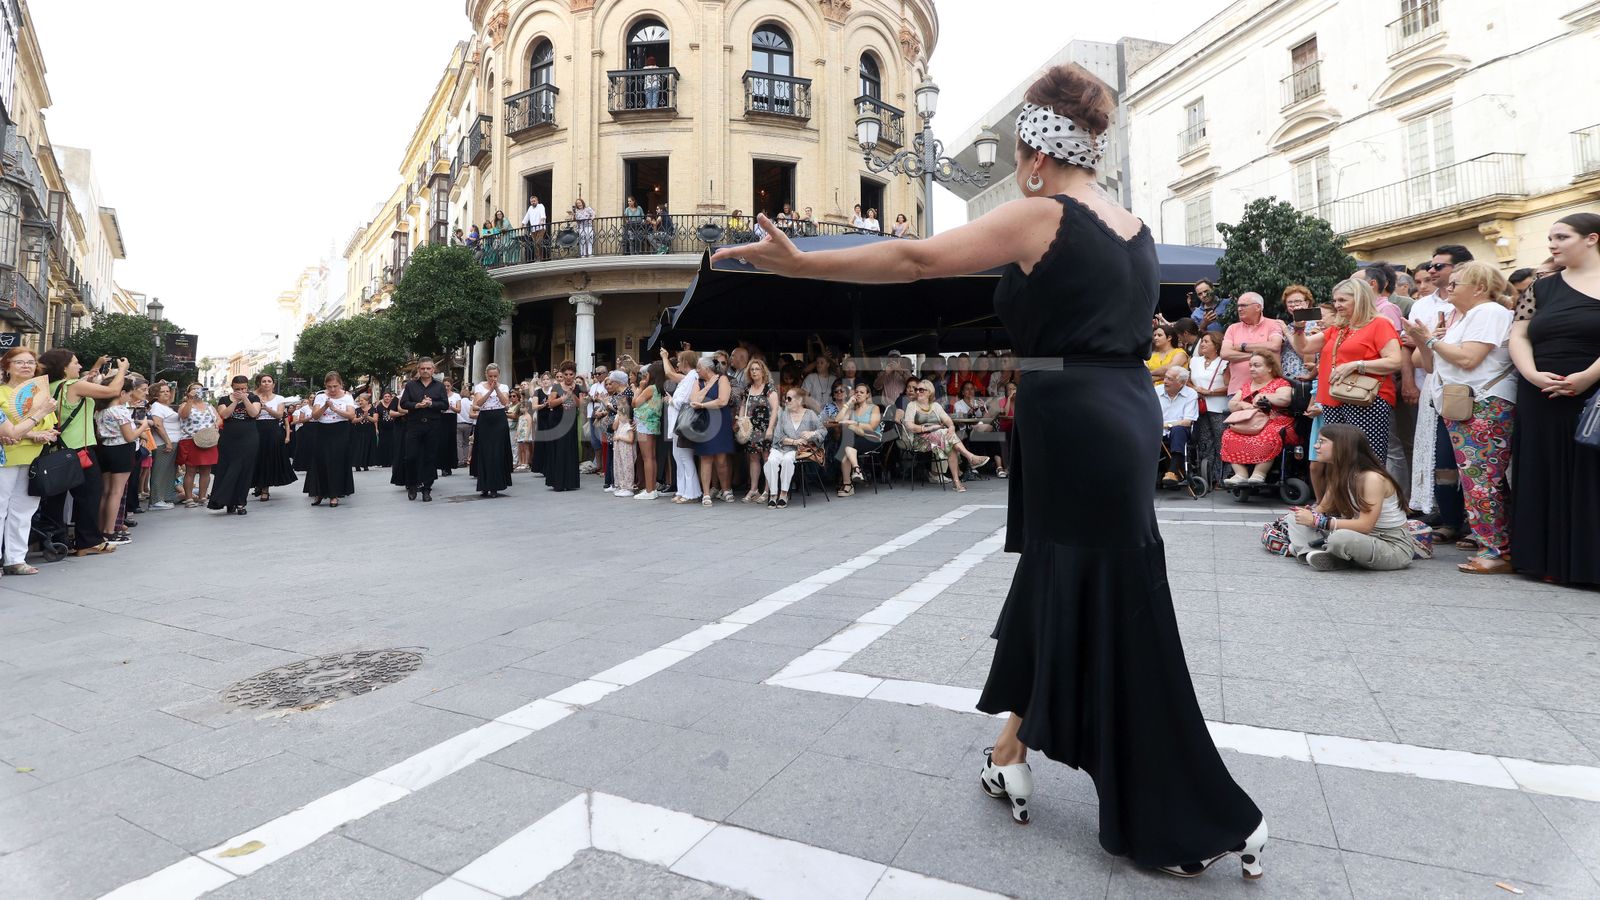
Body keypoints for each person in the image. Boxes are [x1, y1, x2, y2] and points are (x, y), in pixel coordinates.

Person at [711, 62, 1265, 876]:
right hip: (1107, 408)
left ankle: (1197, 811)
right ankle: (1010, 748)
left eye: (1015, 157)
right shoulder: (1134, 227)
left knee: (1107, 598)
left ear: (1034, 153)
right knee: (1059, 579)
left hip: (1073, 416)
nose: (1016, 171)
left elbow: (912, 259)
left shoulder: (1040, 216)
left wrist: (799, 266)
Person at [1404, 260, 1516, 574]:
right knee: (1479, 481)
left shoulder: (1488, 312)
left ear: (1479, 288)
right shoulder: (1464, 317)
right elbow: (1429, 365)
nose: (1448, 288)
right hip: (1465, 404)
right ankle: (1497, 546)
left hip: (1483, 405)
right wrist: (1424, 339)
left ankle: (1496, 551)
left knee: (1481, 482)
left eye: (1456, 284)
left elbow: (1469, 359)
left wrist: (1429, 340)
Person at [1507, 213, 1600, 586]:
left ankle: (1587, 564)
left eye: (1561, 237)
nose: (1552, 244)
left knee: (1589, 474)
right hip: (1539, 391)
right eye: (1549, 238)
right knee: (1540, 469)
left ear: (1592, 239)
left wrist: (1587, 377)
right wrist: (1530, 374)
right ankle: (1543, 560)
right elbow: (1519, 335)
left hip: (1592, 393)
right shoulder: (1540, 288)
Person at [1290, 278, 1403, 465]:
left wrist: (1357, 365)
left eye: (1342, 300)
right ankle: (1344, 494)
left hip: (1366, 400)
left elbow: (1395, 361)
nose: (1337, 305)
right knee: (1339, 460)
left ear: (1359, 299)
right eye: (1335, 300)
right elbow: (1305, 347)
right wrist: (1299, 328)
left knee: (1365, 459)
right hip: (1332, 398)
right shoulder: (1339, 328)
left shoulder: (1380, 324)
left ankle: (1366, 494)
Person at [1284, 424, 1416, 571]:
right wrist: (1309, 514)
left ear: (1342, 446)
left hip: (1390, 545)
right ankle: (1310, 554)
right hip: (1358, 536)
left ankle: (1328, 554)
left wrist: (1317, 521)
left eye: (1322, 441)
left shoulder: (1372, 478)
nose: (1315, 446)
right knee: (1293, 517)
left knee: (1339, 538)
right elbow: (1322, 509)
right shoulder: (1340, 473)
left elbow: (1365, 526)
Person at [37, 352, 124, 555]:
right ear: (64, 367)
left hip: (56, 451)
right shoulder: (73, 386)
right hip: (80, 449)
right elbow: (113, 390)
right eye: (75, 363)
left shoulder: (50, 387)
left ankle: (55, 541)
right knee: (89, 495)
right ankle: (87, 540)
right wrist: (122, 370)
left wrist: (93, 372)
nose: (79, 366)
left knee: (56, 500)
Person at [0, 349, 59, 573]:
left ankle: (15, 558)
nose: (26, 366)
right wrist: (32, 433)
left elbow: (50, 424)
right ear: (7, 366)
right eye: (19, 362)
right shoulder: (2, 393)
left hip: (33, 457)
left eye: (30, 362)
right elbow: (6, 431)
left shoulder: (39, 394)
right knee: (0, 508)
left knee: (24, 509)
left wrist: (47, 434)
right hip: (6, 456)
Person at [902, 379, 990, 492]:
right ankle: (970, 458)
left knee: (949, 440)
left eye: (921, 390)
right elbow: (910, 425)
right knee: (945, 435)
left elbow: (948, 420)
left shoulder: (935, 406)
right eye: (916, 389)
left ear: (929, 392)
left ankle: (957, 482)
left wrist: (952, 428)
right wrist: (928, 428)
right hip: (920, 440)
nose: (917, 392)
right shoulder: (912, 405)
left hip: (939, 438)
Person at [1220, 353, 1294, 485]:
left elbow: (1285, 400)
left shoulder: (1280, 383)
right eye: (1250, 365)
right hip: (1250, 422)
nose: (1252, 369)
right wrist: (1242, 404)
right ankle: (1240, 474)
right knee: (1229, 434)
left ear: (1270, 368)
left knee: (1269, 434)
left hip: (1273, 419)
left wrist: (1264, 396)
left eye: (1256, 365)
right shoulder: (1247, 386)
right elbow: (1231, 404)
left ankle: (1259, 473)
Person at [95, 375, 148, 542]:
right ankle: (110, 531)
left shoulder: (100, 410)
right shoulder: (120, 411)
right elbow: (130, 436)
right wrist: (144, 427)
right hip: (121, 450)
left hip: (104, 449)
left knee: (106, 492)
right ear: (121, 393)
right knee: (117, 492)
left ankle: (101, 528)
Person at [204, 375, 261, 515]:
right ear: (232, 387)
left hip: (249, 439)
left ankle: (240, 502)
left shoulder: (254, 398)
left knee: (244, 471)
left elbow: (254, 413)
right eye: (237, 388)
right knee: (227, 470)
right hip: (229, 440)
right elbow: (225, 415)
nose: (241, 391)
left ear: (247, 387)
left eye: (243, 388)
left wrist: (245, 398)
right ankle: (226, 501)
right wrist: (235, 401)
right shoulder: (224, 399)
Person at [303, 372, 357, 507]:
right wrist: (325, 406)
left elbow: (351, 415)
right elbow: (315, 416)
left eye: (335, 386)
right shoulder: (320, 397)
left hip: (341, 430)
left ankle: (334, 494)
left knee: (336, 462)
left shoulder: (347, 397)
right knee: (320, 461)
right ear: (325, 385)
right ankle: (319, 492)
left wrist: (335, 409)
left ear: (341, 384)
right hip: (322, 430)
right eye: (329, 386)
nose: (332, 390)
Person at [400, 358, 450, 501]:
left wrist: (431, 404)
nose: (426, 371)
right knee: (411, 457)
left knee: (430, 457)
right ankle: (412, 485)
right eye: (423, 368)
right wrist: (417, 405)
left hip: (433, 426)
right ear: (418, 369)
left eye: (428, 368)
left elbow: (445, 405)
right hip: (414, 425)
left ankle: (427, 489)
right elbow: (404, 403)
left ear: (433, 370)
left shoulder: (439, 386)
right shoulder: (411, 385)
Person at [766, 387, 824, 508]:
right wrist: (794, 441)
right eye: (785, 398)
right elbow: (778, 437)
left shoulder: (810, 414)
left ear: (799, 400)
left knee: (787, 460)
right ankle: (773, 494)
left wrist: (812, 434)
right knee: (771, 461)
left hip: (796, 451)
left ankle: (783, 494)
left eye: (789, 398)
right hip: (781, 447)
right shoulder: (783, 414)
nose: (786, 401)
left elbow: (823, 431)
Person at [689, 354, 734, 506]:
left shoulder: (723, 379)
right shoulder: (698, 381)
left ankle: (726, 489)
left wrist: (703, 405)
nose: (696, 370)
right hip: (704, 423)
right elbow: (693, 401)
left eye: (699, 368)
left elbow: (722, 401)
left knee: (721, 459)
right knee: (705, 458)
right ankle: (706, 493)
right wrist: (708, 386)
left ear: (707, 368)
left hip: (720, 421)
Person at [1187, 331, 1229, 488]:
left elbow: (1229, 386)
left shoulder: (1224, 362)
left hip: (1219, 407)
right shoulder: (1195, 361)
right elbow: (1187, 380)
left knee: (1221, 441)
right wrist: (1196, 389)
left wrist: (1210, 392)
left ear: (1216, 345)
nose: (1202, 344)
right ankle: (1208, 477)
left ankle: (1222, 477)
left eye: (1206, 341)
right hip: (1201, 407)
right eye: (1202, 341)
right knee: (1205, 441)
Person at [1220, 293, 1282, 397]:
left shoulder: (1273, 324)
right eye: (1238, 306)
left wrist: (1242, 347)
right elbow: (1225, 353)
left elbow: (1275, 346)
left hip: (1268, 389)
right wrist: (1257, 356)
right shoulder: (1232, 328)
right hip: (1237, 390)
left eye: (1244, 305)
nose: (1239, 309)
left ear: (1258, 307)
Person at [666, 348, 704, 504]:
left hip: (683, 422)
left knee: (685, 457)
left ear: (686, 363)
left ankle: (692, 493)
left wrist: (670, 401)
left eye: (680, 361)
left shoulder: (692, 377)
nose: (678, 364)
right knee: (678, 457)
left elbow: (683, 401)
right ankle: (682, 490)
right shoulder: (688, 377)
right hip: (677, 423)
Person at [470, 364, 513, 498]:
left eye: (495, 376)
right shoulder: (479, 387)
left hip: (499, 419)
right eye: (490, 376)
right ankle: (484, 485)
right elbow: (478, 404)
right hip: (485, 419)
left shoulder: (504, 386)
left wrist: (497, 389)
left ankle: (495, 486)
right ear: (486, 375)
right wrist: (489, 391)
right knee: (485, 452)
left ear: (498, 375)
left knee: (497, 452)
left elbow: (505, 403)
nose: (492, 379)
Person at [738, 358, 778, 502]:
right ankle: (754, 489)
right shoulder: (748, 389)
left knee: (767, 458)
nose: (754, 372)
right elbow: (743, 405)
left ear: (763, 371)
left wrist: (770, 428)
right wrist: (741, 421)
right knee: (753, 458)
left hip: (765, 427)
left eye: (757, 369)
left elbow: (774, 410)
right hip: (751, 428)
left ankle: (767, 490)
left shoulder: (769, 389)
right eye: (752, 369)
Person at [834, 381, 884, 494]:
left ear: (867, 395)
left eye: (862, 392)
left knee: (847, 440)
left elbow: (872, 427)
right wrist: (848, 403)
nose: (858, 394)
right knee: (847, 442)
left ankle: (848, 485)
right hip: (856, 439)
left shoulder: (874, 407)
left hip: (872, 438)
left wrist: (854, 423)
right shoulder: (852, 409)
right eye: (856, 392)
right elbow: (837, 420)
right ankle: (856, 470)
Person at [252, 374, 297, 499]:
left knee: (268, 458)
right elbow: (252, 414)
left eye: (269, 381)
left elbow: (279, 415)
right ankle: (258, 483)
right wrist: (258, 407)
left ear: (273, 384)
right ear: (260, 384)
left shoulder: (279, 398)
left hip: (272, 430)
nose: (266, 383)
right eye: (263, 381)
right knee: (257, 458)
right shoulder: (254, 397)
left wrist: (265, 407)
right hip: (256, 429)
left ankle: (265, 489)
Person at [541, 361, 583, 492]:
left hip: (570, 421)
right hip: (557, 420)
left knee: (570, 449)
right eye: (566, 374)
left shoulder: (577, 387)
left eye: (571, 374)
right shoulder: (556, 387)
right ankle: (558, 481)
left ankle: (570, 482)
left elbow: (580, 404)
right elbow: (551, 404)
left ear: (574, 374)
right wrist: (562, 399)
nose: (569, 377)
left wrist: (572, 394)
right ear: (562, 375)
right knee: (558, 450)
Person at [177, 381, 219, 507]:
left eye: (200, 389)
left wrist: (216, 425)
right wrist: (190, 399)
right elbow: (184, 415)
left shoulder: (209, 406)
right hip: (191, 439)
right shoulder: (184, 404)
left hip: (208, 440)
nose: (197, 391)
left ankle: (203, 496)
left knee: (206, 470)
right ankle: (189, 498)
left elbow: (218, 418)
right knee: (191, 470)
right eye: (194, 389)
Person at [1156, 367, 1199, 483]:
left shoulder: (1191, 394)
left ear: (1181, 383)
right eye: (1165, 377)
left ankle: (1172, 472)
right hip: (1157, 431)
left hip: (1179, 432)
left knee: (1178, 430)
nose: (1165, 381)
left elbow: (1187, 421)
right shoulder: (1156, 391)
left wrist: (1166, 425)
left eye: (1169, 379)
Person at [146, 382, 181, 510]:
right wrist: (167, 441)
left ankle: (165, 497)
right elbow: (158, 425)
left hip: (171, 442)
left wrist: (173, 389)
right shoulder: (156, 407)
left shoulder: (164, 406)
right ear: (156, 395)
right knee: (160, 472)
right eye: (163, 391)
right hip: (164, 444)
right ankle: (156, 500)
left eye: (167, 391)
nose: (167, 393)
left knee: (169, 472)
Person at [631, 364, 663, 500]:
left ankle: (649, 490)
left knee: (647, 458)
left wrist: (640, 388)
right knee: (652, 457)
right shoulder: (659, 388)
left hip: (645, 424)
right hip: (653, 423)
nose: (645, 376)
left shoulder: (650, 388)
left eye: (647, 373)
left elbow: (635, 403)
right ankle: (652, 488)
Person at [350, 393, 378, 472]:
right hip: (358, 431)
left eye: (361, 401)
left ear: (367, 401)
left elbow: (375, 420)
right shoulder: (357, 410)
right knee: (358, 449)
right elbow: (353, 420)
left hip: (369, 431)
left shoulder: (373, 409)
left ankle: (365, 465)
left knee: (367, 448)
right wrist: (362, 417)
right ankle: (357, 465)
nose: (360, 402)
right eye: (359, 401)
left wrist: (367, 416)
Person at [376, 390, 399, 468]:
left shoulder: (394, 405)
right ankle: (383, 462)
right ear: (383, 397)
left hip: (393, 427)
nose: (387, 398)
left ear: (391, 398)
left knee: (392, 444)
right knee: (383, 444)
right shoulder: (379, 406)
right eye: (385, 396)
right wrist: (376, 428)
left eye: (388, 396)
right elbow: (377, 418)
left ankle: (392, 461)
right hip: (382, 428)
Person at [523, 194, 547, 262]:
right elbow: (527, 216)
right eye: (531, 201)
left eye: (534, 201)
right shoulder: (530, 208)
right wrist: (523, 224)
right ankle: (537, 258)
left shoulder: (541, 206)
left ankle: (540, 258)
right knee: (535, 243)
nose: (533, 202)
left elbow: (543, 213)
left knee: (538, 242)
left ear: (537, 201)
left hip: (541, 228)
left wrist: (542, 221)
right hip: (533, 229)